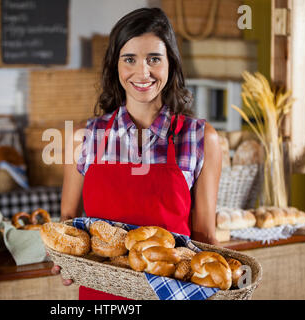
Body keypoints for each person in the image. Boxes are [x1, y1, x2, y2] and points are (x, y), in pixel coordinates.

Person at [52, 7, 222, 300]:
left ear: (171, 63)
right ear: (115, 65)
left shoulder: (200, 138)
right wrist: (64, 261)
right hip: (102, 296)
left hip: (174, 294)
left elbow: (205, 236)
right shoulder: (85, 137)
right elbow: (69, 220)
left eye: (154, 59)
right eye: (129, 59)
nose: (142, 73)